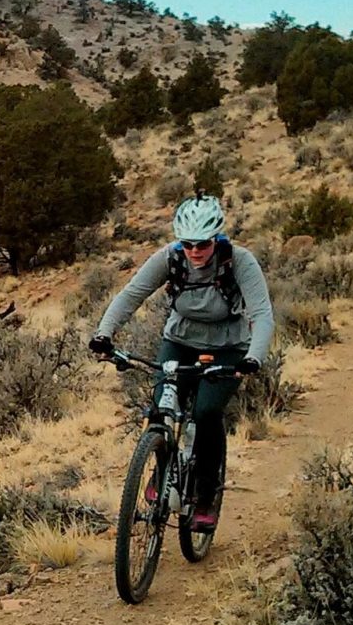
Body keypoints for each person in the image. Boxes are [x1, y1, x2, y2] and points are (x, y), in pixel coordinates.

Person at [87, 195, 273, 534]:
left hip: (228, 348)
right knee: (162, 406)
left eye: (202, 244)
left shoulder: (240, 262)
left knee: (205, 412)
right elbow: (130, 295)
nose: (195, 251)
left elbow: (262, 315)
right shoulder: (169, 258)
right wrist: (104, 334)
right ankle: (160, 466)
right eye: (188, 244)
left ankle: (205, 495)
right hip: (180, 341)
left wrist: (252, 359)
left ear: (216, 239)